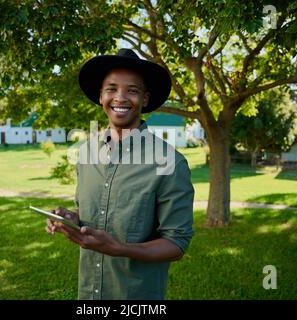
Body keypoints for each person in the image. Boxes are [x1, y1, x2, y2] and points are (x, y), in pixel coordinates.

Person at [45, 48, 194, 300]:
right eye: (111, 88)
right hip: (88, 295)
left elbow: (176, 244)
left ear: (145, 99)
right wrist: (70, 218)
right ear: (101, 95)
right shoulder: (86, 152)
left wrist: (119, 249)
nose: (120, 98)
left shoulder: (170, 162)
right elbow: (90, 214)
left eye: (132, 90)